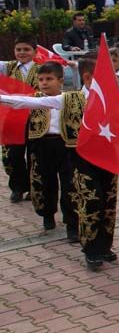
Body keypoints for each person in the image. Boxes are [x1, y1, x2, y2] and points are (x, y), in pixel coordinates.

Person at [2, 62, 77, 235]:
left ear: (60, 80)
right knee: (43, 182)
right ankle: (47, 214)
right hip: (41, 145)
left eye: (49, 79)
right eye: (41, 79)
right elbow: (17, 103)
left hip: (66, 145)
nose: (44, 83)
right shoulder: (33, 98)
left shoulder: (72, 98)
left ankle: (72, 223)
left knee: (70, 184)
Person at [1, 36, 39, 202]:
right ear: (14, 51)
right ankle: (17, 187)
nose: (22, 53)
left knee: (34, 155)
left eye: (26, 49)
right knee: (12, 156)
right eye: (19, 50)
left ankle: (33, 188)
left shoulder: (42, 69)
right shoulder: (7, 67)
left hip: (34, 119)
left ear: (34, 52)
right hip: (13, 120)